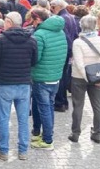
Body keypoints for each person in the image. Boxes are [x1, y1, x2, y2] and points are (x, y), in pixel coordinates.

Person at [0, 12, 37, 161]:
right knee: (23, 119)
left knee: (3, 118)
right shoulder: (31, 40)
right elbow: (34, 61)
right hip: (23, 83)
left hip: (5, 83)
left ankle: (4, 150)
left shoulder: (1, 40)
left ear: (9, 23)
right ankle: (23, 151)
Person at [68, 15, 100, 144]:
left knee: (78, 105)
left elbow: (79, 63)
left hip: (78, 77)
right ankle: (97, 132)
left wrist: (87, 77)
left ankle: (75, 133)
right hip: (97, 76)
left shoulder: (78, 42)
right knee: (97, 105)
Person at [30, 8, 67, 150]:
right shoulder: (60, 32)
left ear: (38, 19)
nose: (32, 24)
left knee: (44, 108)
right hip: (55, 76)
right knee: (48, 107)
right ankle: (41, 133)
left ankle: (47, 140)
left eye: (32, 21)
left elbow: (35, 58)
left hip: (41, 76)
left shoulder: (39, 34)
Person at [50, 0, 79, 113]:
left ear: (58, 6)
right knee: (64, 76)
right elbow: (75, 34)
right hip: (68, 50)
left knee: (61, 77)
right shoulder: (70, 17)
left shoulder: (61, 19)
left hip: (64, 50)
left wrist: (69, 50)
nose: (51, 9)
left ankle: (60, 102)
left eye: (53, 6)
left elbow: (65, 37)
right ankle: (64, 102)